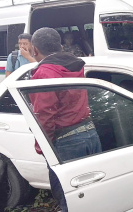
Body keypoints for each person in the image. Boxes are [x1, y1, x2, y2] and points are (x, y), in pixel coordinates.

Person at [30, 27, 102, 212]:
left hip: (67, 141)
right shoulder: (76, 65)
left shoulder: (44, 73)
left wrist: (42, 146)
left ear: (34, 49)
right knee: (95, 194)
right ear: (59, 45)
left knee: (68, 198)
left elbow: (45, 115)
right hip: (90, 133)